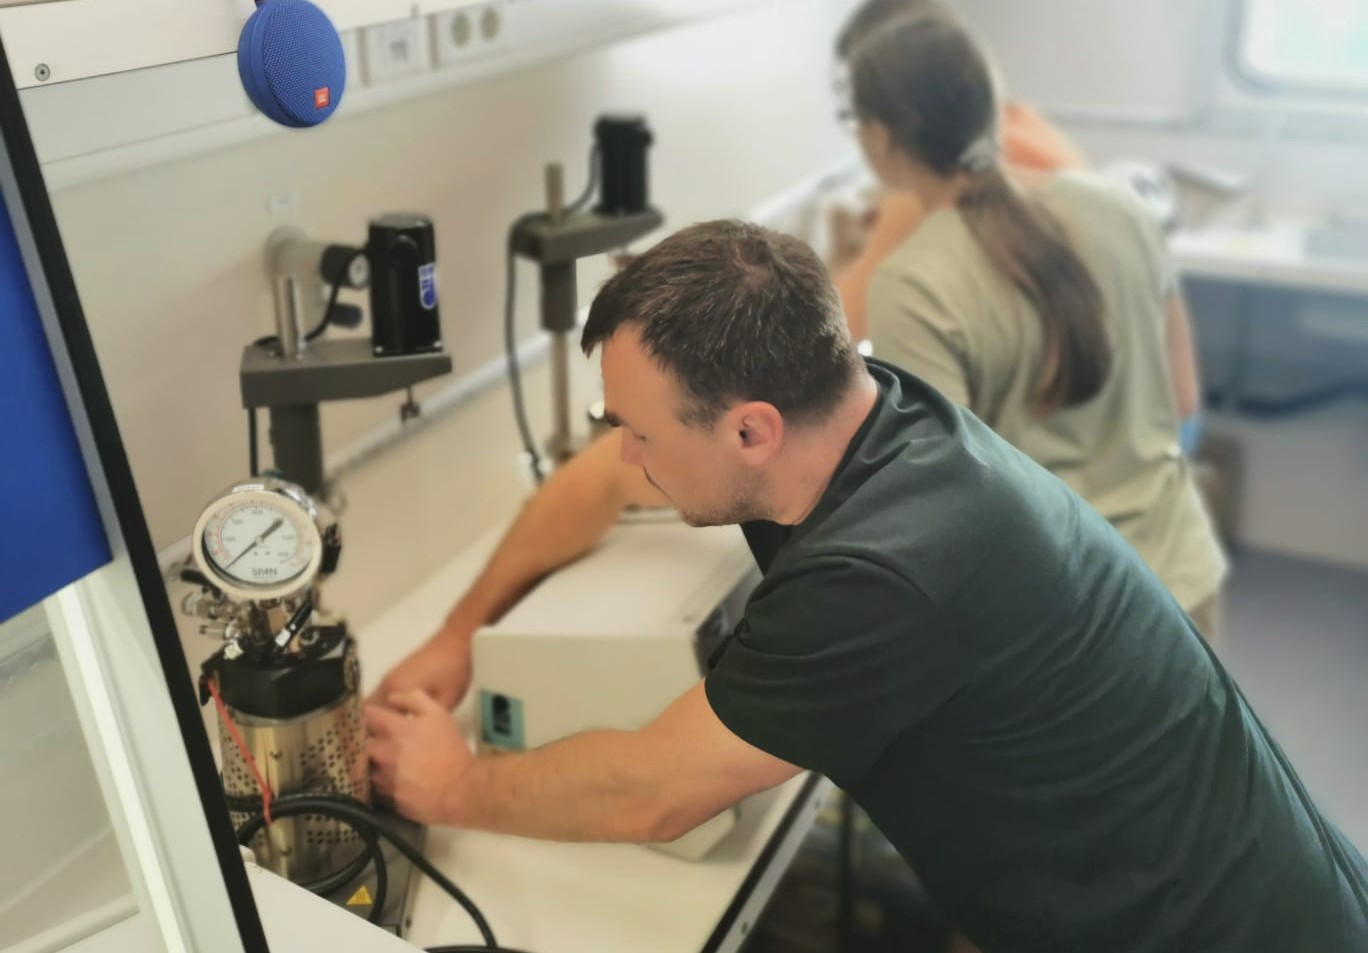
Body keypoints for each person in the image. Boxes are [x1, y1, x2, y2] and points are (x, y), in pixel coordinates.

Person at [366, 219, 1368, 952]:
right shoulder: (855, 410)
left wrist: (450, 782)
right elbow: (599, 478)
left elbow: (653, 791)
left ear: (749, 428)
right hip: (1211, 864)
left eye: (641, 431)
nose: (625, 453)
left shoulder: (884, 570)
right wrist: (462, 630)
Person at [848, 13, 1226, 638]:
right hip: (1183, 581)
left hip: (1073, 618)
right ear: (992, 110)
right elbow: (1182, 400)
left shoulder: (913, 280)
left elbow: (947, 500)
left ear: (879, 138)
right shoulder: (1120, 207)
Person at [829, 0, 1088, 342]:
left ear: (885, 127)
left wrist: (835, 253)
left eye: (859, 109)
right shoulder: (1027, 128)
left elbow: (830, 335)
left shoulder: (927, 196)